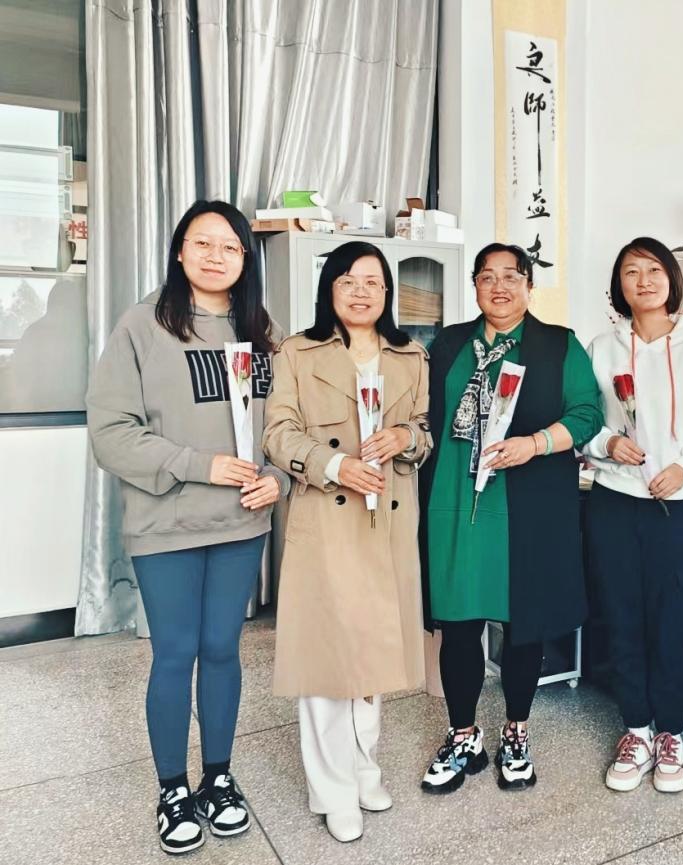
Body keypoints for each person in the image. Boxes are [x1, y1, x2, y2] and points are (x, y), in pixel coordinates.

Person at [87, 200, 287, 855]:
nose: (215, 256)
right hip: (166, 524)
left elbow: (286, 426)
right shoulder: (142, 325)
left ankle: (218, 777)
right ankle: (172, 788)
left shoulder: (261, 329)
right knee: (175, 653)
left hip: (241, 523)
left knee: (223, 649)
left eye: (230, 247)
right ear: (179, 250)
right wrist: (200, 465)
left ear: (245, 259)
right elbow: (111, 433)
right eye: (202, 243)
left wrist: (278, 478)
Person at [417, 242, 603, 793]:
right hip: (455, 505)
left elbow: (588, 414)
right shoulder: (448, 345)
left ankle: (516, 730)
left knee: (524, 624)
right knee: (458, 625)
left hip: (529, 509)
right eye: (487, 277)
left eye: (511, 276)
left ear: (528, 285)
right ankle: (463, 733)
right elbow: (421, 414)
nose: (499, 287)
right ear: (474, 285)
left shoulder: (558, 345)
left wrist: (536, 443)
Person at [262, 241, 431, 842]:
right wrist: (335, 466)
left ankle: (364, 768)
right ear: (328, 289)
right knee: (327, 658)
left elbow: (426, 431)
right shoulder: (297, 352)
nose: (361, 292)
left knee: (373, 653)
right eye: (348, 281)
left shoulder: (411, 355)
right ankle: (332, 789)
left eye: (373, 282)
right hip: (327, 519)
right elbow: (277, 434)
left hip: (388, 519)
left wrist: (405, 438)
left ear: (387, 293)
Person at [583, 237, 683, 794]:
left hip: (676, 504)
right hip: (615, 500)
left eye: (653, 270)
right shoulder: (602, 347)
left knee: (671, 622)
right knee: (621, 617)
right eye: (630, 272)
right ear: (618, 285)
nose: (643, 281)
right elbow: (582, 416)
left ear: (671, 279)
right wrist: (605, 444)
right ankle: (636, 729)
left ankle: (670, 731)